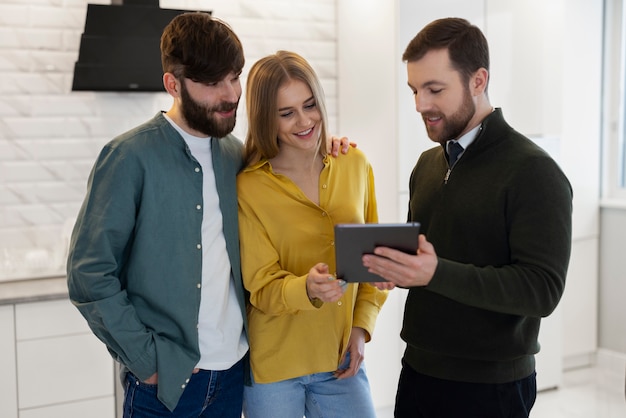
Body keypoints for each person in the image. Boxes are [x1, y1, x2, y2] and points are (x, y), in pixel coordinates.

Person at [66, 13, 350, 418]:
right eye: (212, 83)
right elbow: (89, 274)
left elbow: (294, 161)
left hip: (235, 374)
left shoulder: (239, 156)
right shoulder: (129, 157)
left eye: (234, 76)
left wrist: (330, 147)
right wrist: (146, 360)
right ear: (173, 84)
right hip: (166, 384)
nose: (230, 93)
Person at [362, 18, 573, 418]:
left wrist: (433, 272)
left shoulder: (534, 171)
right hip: (418, 372)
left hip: (491, 388)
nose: (421, 104)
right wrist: (398, 268)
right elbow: (429, 259)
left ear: (478, 80)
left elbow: (542, 289)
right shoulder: (427, 164)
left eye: (434, 89)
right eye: (415, 90)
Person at [237, 50, 387, 418]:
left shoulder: (355, 163)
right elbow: (261, 285)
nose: (304, 121)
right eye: (286, 113)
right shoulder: (250, 187)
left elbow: (369, 263)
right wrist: (306, 288)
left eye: (310, 105)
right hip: (274, 366)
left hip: (340, 360)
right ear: (265, 119)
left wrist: (360, 329)